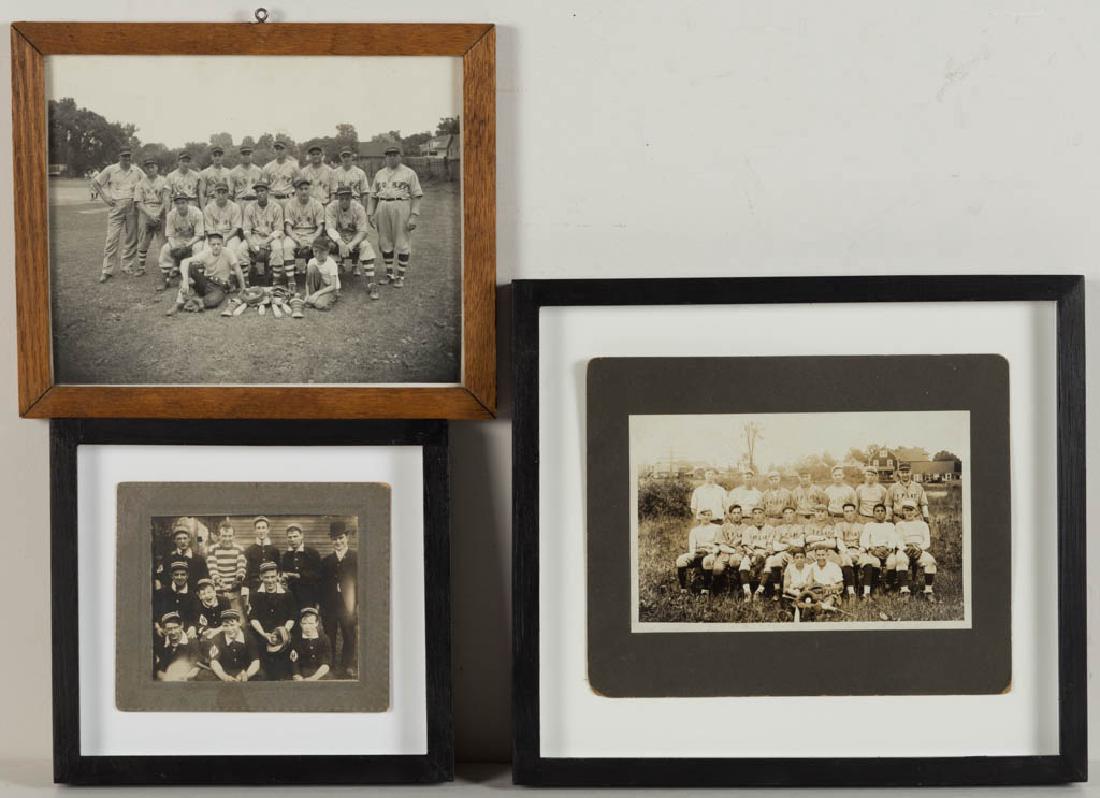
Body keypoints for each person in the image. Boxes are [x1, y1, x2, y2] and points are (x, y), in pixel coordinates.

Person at [366, 145, 423, 287]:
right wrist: (370, 213)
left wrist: (413, 216)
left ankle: (400, 276)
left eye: (394, 154)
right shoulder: (380, 174)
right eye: (389, 155)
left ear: (400, 156)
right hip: (382, 206)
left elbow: (416, 195)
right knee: (384, 241)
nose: (391, 157)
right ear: (385, 157)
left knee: (402, 241)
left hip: (401, 206)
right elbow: (373, 195)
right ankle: (390, 274)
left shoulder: (409, 173)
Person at [92, 147, 142, 283]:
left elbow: (146, 182)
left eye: (128, 157)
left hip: (132, 206)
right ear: (119, 157)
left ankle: (127, 265)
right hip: (116, 206)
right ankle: (107, 270)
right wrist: (105, 198)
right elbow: (95, 182)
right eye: (124, 156)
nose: (127, 159)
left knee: (132, 237)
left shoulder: (136, 171)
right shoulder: (111, 169)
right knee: (112, 238)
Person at [170, 231, 246, 313]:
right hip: (205, 282)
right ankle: (179, 303)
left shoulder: (228, 252)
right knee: (189, 266)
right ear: (209, 244)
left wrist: (243, 288)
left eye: (218, 244)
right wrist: (185, 281)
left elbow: (238, 269)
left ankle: (194, 301)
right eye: (213, 244)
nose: (216, 247)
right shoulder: (206, 253)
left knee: (214, 301)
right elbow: (185, 262)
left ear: (222, 243)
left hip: (219, 286)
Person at [325, 186, 379, 298]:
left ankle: (371, 284)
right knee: (328, 246)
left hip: (354, 238)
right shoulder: (331, 207)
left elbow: (363, 231)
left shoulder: (358, 208)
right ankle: (333, 284)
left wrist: (351, 244)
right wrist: (340, 243)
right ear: (337, 197)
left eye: (347, 198)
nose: (344, 201)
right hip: (337, 238)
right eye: (341, 198)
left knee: (366, 246)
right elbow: (330, 228)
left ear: (351, 197)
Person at [320, 521, 359, 677]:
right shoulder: (326, 561)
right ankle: (330, 664)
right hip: (330, 604)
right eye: (335, 539)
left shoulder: (356, 557)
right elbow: (321, 584)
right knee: (329, 635)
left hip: (348, 604)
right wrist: (321, 604)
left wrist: (358, 602)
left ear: (347, 537)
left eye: (341, 538)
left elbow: (361, 582)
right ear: (331, 540)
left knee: (349, 634)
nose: (338, 542)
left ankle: (347, 665)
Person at [248, 561, 297, 681]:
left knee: (282, 673)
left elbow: (292, 616)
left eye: (273, 577)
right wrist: (263, 634)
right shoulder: (255, 594)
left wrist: (283, 632)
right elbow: (253, 617)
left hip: (283, 633)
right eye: (266, 577)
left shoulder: (287, 594)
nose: (270, 580)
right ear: (261, 577)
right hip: (262, 634)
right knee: (263, 674)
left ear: (278, 576)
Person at [157, 191, 205, 292]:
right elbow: (170, 235)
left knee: (198, 248)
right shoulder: (171, 214)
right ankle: (165, 277)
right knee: (165, 249)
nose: (180, 205)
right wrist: (174, 247)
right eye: (178, 203)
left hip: (194, 239)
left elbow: (199, 234)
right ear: (175, 204)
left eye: (183, 202)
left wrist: (188, 245)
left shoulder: (196, 212)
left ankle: (195, 276)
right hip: (179, 240)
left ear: (187, 202)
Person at [282, 177, 326, 288]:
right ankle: (291, 280)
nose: (304, 191)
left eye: (306, 188)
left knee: (321, 244)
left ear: (309, 189)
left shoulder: (317, 204)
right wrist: (297, 239)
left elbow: (320, 226)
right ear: (296, 191)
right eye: (301, 189)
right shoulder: (290, 204)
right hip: (295, 234)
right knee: (287, 245)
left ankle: (320, 277)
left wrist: (313, 238)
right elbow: (288, 227)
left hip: (312, 233)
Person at [242, 181, 286, 285]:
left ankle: (276, 281)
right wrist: (250, 242)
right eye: (257, 191)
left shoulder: (276, 207)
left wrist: (267, 240)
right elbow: (246, 229)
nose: (260, 193)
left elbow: (279, 229)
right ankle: (245, 282)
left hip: (271, 236)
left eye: (262, 190)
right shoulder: (250, 207)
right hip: (255, 236)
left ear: (268, 192)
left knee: (278, 248)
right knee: (241, 249)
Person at [894, 499, 937, 598]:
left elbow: (927, 542)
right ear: (902, 512)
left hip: (919, 549)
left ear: (916, 511)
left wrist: (919, 549)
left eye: (911, 510)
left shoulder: (922, 524)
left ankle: (928, 591)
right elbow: (898, 541)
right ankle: (904, 591)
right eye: (906, 510)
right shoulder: (899, 525)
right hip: (905, 549)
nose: (909, 513)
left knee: (930, 561)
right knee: (900, 560)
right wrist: (905, 549)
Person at [133, 156, 168, 276]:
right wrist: (149, 214)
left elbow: (166, 200)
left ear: (157, 167)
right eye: (148, 167)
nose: (150, 169)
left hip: (160, 212)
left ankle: (166, 267)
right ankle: (141, 268)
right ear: (145, 169)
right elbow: (138, 202)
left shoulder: (164, 181)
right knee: (144, 241)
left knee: (163, 241)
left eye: (152, 166)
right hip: (145, 212)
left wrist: (158, 213)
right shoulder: (140, 183)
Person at [674, 509, 721, 595]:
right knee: (680, 560)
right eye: (704, 515)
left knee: (707, 561)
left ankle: (705, 589)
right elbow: (692, 548)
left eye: (708, 515)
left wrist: (711, 551)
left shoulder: (716, 528)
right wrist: (695, 554)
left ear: (711, 516)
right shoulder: (694, 530)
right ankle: (683, 588)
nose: (706, 517)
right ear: (699, 516)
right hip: (698, 552)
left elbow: (718, 545)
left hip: (711, 552)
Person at [206, 609, 261, 682]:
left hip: (244, 671)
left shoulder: (249, 637)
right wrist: (224, 676)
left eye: (232, 625)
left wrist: (247, 675)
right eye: (225, 626)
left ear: (239, 623)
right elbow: (214, 661)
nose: (229, 629)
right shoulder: (217, 638)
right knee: (206, 675)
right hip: (225, 671)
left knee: (261, 676)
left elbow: (255, 661)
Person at [858, 503, 900, 597]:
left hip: (887, 550)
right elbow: (864, 539)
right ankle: (875, 586)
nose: (880, 513)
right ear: (873, 514)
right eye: (877, 511)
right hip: (874, 550)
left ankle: (889, 586)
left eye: (882, 511)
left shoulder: (890, 525)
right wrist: (872, 549)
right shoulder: (869, 525)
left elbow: (894, 538)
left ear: (885, 513)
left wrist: (889, 549)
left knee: (892, 562)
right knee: (874, 563)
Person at [205, 520, 247, 614]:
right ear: (219, 536)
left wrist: (234, 584)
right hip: (219, 591)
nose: (227, 539)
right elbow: (213, 571)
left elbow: (241, 569)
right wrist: (222, 585)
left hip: (234, 591)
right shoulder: (212, 549)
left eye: (230, 536)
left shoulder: (239, 549)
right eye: (224, 536)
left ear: (234, 536)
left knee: (240, 622)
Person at [155, 519, 209, 591]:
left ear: (189, 539)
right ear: (174, 540)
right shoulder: (169, 558)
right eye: (179, 539)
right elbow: (161, 578)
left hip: (194, 596)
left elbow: (205, 580)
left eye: (185, 538)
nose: (182, 541)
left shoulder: (198, 559)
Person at [764, 506, 806, 597]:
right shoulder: (778, 528)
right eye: (786, 513)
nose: (788, 516)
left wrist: (786, 542)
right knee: (775, 560)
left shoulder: (800, 527)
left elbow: (801, 543)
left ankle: (795, 592)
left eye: (791, 513)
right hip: (783, 552)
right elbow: (775, 546)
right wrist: (789, 545)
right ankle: (777, 590)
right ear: (783, 516)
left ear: (795, 515)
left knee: (793, 566)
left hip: (795, 553)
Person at [202, 181, 246, 266]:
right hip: (214, 235)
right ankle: (211, 275)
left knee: (234, 250)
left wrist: (226, 238)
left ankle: (231, 275)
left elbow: (235, 228)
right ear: (214, 193)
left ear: (228, 194)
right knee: (207, 251)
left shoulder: (235, 207)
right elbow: (209, 229)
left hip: (230, 235)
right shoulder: (208, 208)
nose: (221, 195)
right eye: (218, 192)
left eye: (224, 192)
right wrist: (218, 240)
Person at [281, 522, 322, 610]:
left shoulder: (312, 553)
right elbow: (284, 574)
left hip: (309, 597)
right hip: (291, 597)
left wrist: (299, 575)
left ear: (302, 536)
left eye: (295, 536)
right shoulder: (286, 556)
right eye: (290, 537)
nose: (292, 539)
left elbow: (318, 575)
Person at [153, 560, 199, 637]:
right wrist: (158, 627)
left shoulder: (192, 596)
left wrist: (192, 627)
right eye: (176, 575)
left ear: (187, 576)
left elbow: (195, 616)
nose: (179, 577)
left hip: (185, 634)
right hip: (164, 633)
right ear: (172, 576)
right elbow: (155, 613)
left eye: (183, 574)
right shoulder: (161, 593)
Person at [243, 516, 281, 608]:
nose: (261, 531)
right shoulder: (249, 550)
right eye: (258, 528)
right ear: (255, 531)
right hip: (254, 587)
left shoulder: (274, 550)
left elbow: (278, 570)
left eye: (263, 528)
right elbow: (246, 572)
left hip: (271, 587)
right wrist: (246, 592)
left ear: (268, 530)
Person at [739, 507, 776, 600]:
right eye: (755, 513)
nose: (758, 516)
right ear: (752, 516)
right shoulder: (748, 529)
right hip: (752, 553)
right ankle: (747, 592)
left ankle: (759, 591)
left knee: (770, 563)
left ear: (764, 515)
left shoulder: (771, 529)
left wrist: (764, 555)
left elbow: (771, 545)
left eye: (760, 513)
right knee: (744, 564)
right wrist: (752, 556)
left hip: (766, 553)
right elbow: (745, 545)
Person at [154, 612, 200, 681]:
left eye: (175, 627)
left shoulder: (192, 642)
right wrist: (167, 678)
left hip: (187, 679)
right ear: (164, 629)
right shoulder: (162, 644)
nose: (173, 632)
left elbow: (196, 667)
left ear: (181, 626)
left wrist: (186, 678)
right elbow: (159, 670)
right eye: (169, 629)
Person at [291, 607, 332, 681]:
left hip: (320, 673)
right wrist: (297, 675)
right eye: (304, 623)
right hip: (302, 673)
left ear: (316, 623)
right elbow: (294, 660)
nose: (307, 627)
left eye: (311, 623)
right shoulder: (296, 639)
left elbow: (326, 663)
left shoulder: (324, 639)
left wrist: (314, 678)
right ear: (300, 624)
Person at [833, 502, 864, 598]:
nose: (849, 513)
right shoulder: (839, 525)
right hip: (845, 550)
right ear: (843, 513)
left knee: (867, 561)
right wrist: (847, 552)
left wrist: (859, 551)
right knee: (846, 560)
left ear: (855, 512)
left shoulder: (861, 526)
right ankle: (851, 591)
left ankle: (865, 590)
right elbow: (839, 542)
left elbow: (863, 541)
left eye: (851, 511)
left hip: (858, 550)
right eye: (846, 511)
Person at [303, 237, 341, 310]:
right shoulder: (311, 261)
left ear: (327, 251)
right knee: (311, 268)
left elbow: (333, 286)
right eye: (315, 251)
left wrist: (317, 294)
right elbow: (307, 282)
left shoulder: (331, 263)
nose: (317, 254)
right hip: (320, 285)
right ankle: (312, 296)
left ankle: (332, 297)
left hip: (330, 288)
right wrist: (307, 295)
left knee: (319, 304)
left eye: (320, 252)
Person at [261, 139, 299, 207]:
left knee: (288, 218)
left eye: (281, 149)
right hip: (273, 198)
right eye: (277, 149)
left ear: (286, 150)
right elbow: (264, 186)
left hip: (288, 198)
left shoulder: (294, 166)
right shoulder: (268, 166)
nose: (279, 151)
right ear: (274, 151)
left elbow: (298, 186)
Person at [806, 547, 844, 613]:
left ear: (827, 555)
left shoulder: (834, 566)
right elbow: (808, 584)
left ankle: (825, 607)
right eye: (818, 555)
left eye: (823, 555)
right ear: (815, 556)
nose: (821, 558)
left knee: (831, 597)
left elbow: (841, 585)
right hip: (816, 593)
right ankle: (818, 609)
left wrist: (831, 588)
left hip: (830, 592)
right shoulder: (811, 567)